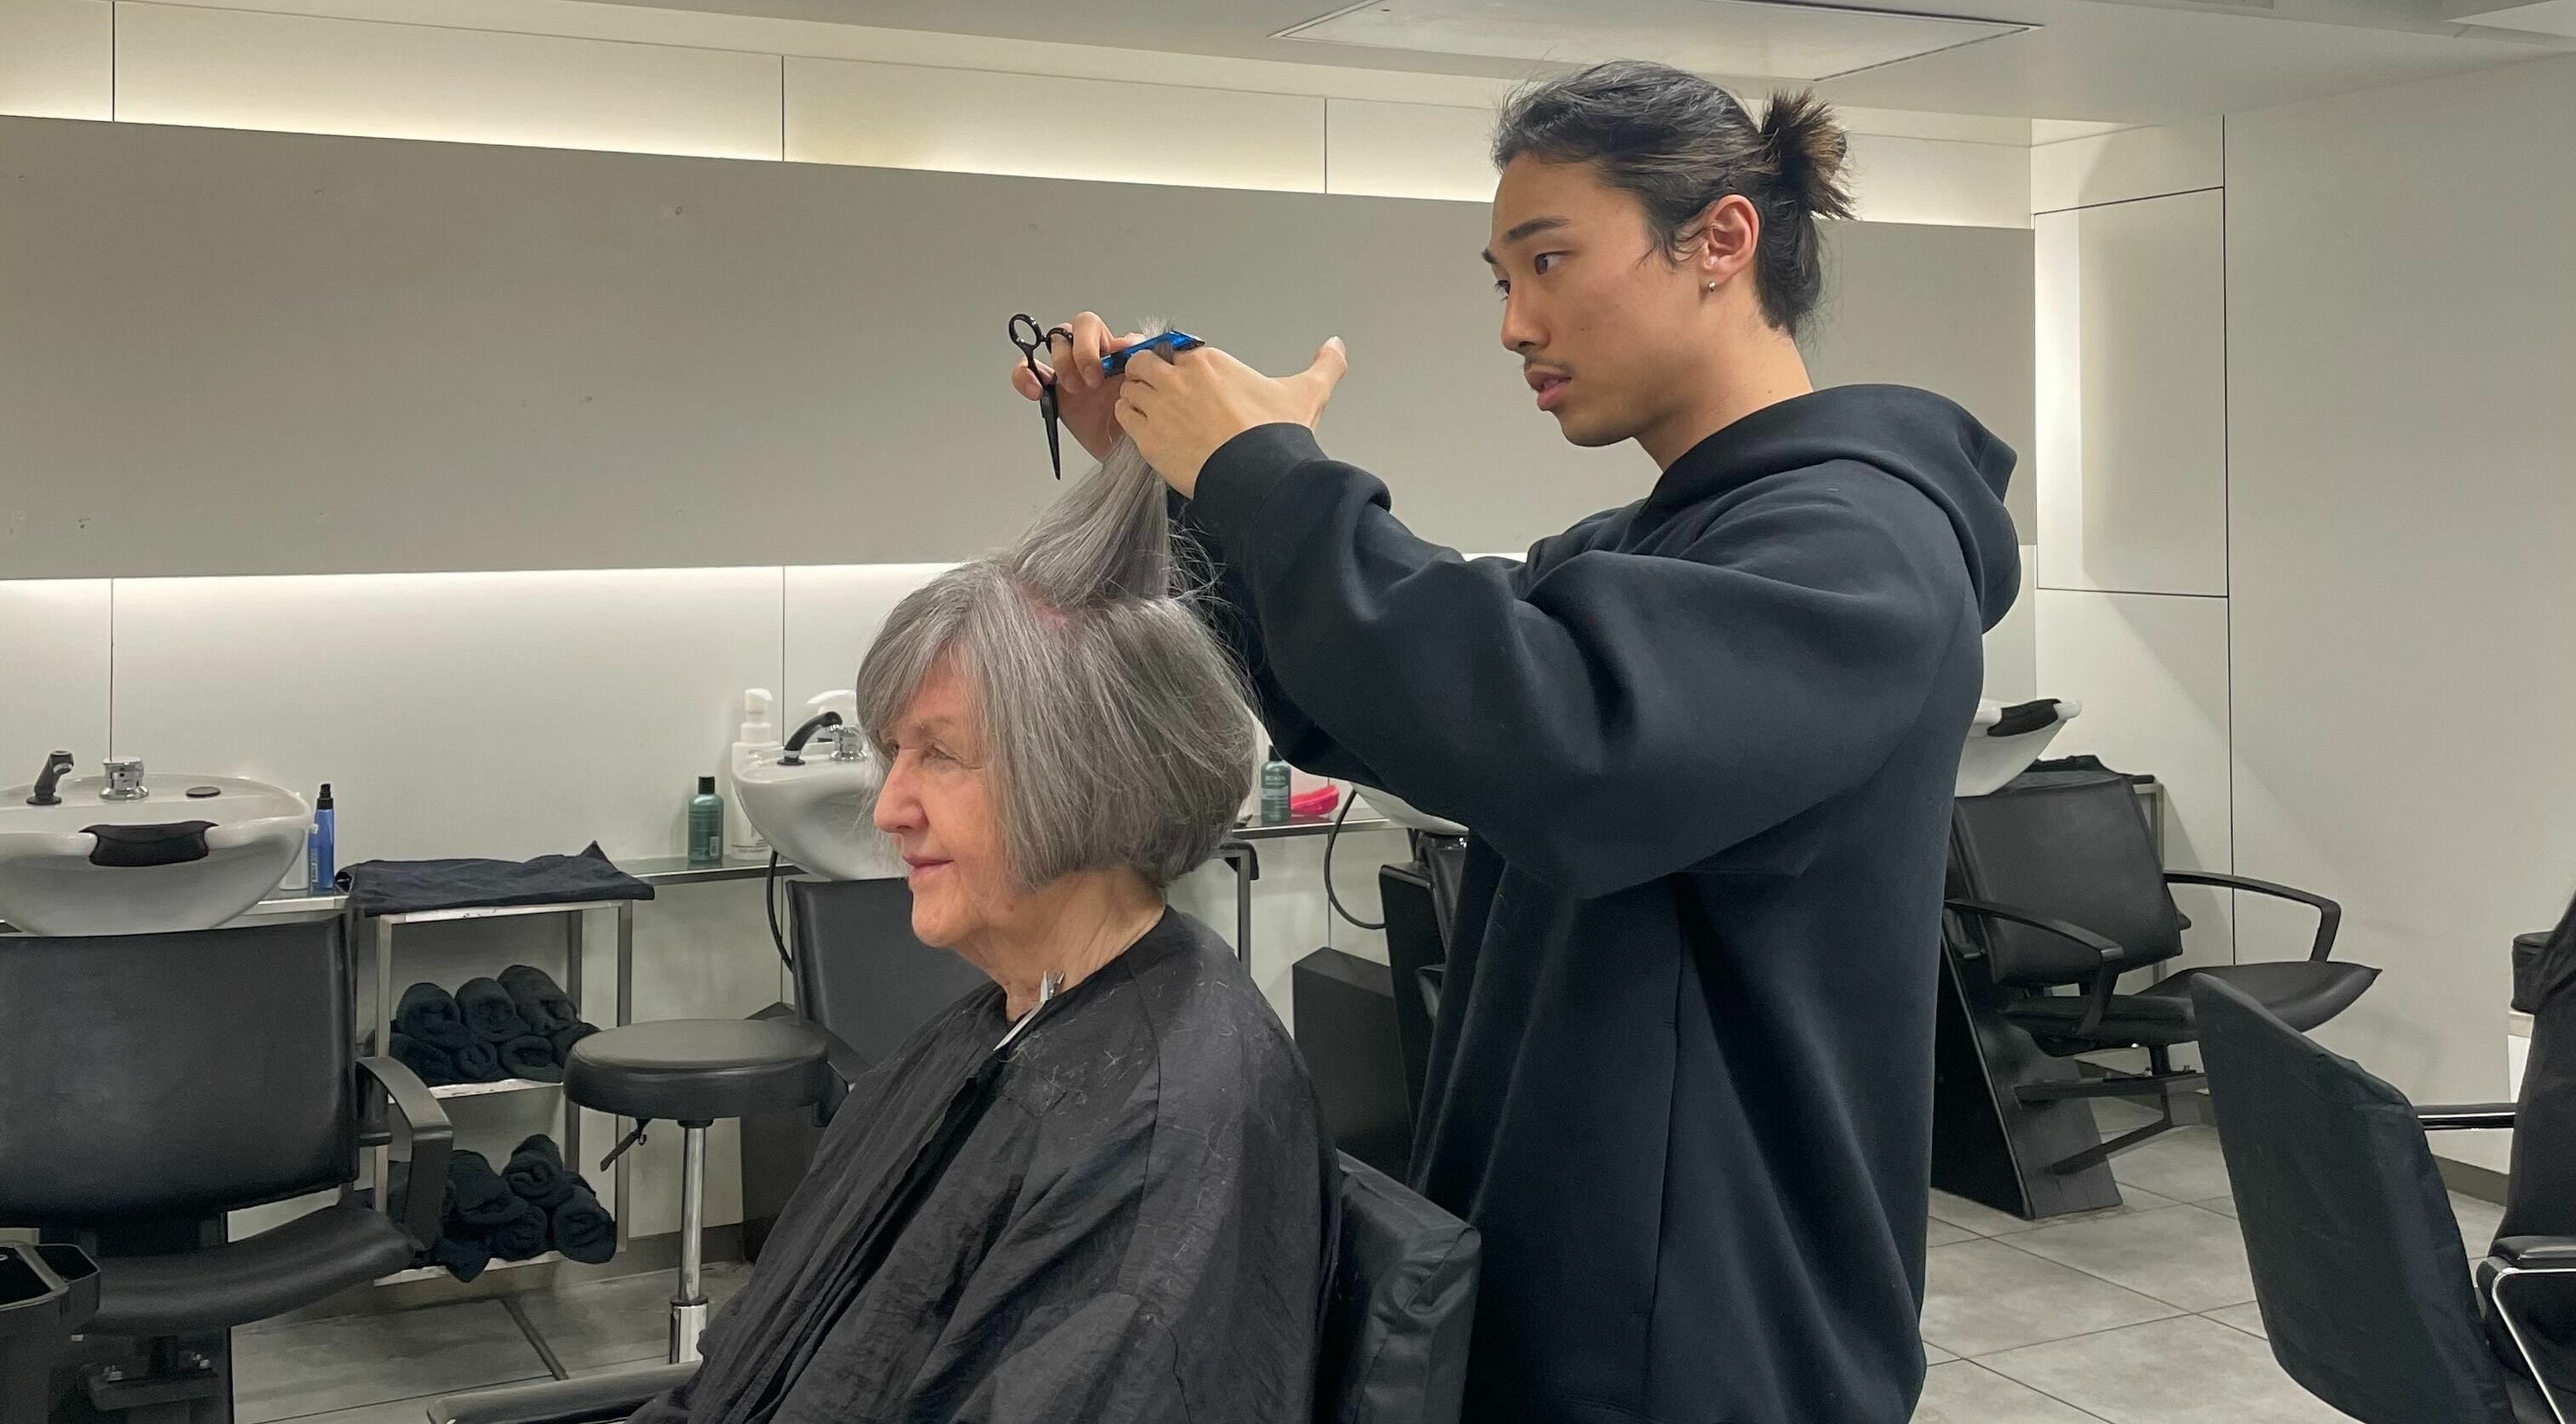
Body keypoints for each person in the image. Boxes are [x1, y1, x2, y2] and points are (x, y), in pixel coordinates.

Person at [1014, 62, 2019, 1424]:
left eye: (1549, 261)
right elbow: (1404, 703)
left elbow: (1569, 745)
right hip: (1579, 1295)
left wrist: (1266, 474)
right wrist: (1182, 478)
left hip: (1706, 1338)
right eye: (1502, 278)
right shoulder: (1647, 544)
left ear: (1721, 241)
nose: (1515, 323)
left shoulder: (1861, 549)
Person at [630, 440, 1335, 1424]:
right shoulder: (1017, 1019)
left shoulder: (1162, 1129)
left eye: (941, 755)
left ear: (1091, 773)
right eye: (893, 753)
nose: (889, 808)